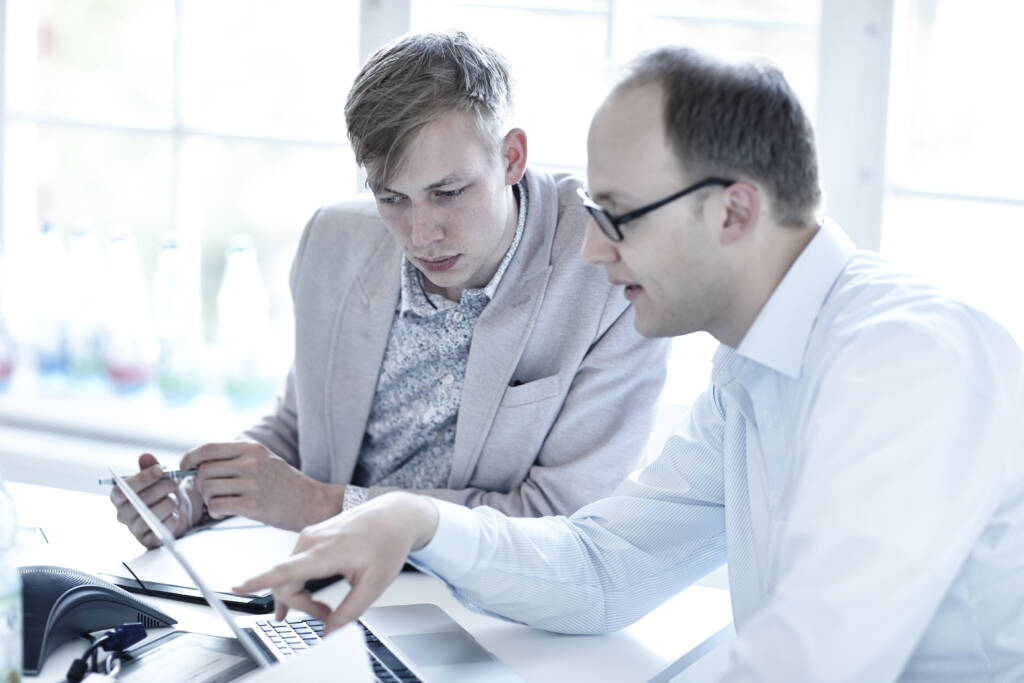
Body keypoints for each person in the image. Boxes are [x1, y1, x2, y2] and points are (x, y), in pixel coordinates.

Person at [235, 45, 1024, 682]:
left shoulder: (907, 359)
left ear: (733, 210)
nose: (589, 248)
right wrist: (418, 519)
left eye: (616, 216)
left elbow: (807, 661)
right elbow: (604, 566)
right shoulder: (753, 375)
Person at [110, 31, 669, 546]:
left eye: (448, 192)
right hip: (325, 588)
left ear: (511, 157)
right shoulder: (333, 239)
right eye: (391, 198)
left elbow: (565, 522)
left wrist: (322, 506)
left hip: (496, 611)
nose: (422, 236)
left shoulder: (611, 271)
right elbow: (301, 429)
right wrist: (200, 498)